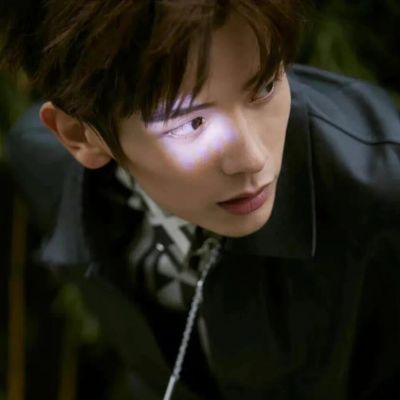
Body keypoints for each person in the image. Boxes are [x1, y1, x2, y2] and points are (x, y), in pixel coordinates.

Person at [2, 1, 400, 399]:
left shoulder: (378, 194)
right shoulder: (46, 171)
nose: (253, 157)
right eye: (191, 122)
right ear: (79, 137)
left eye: (265, 86)